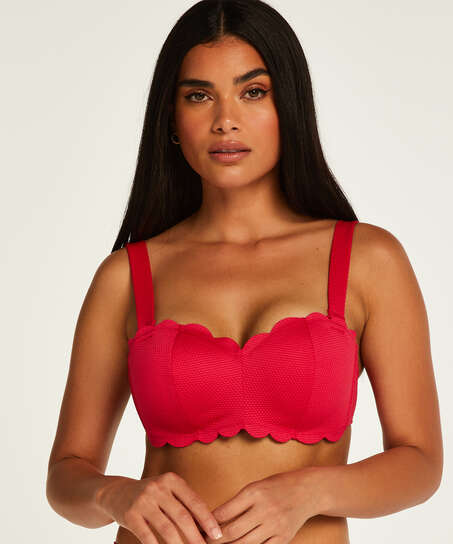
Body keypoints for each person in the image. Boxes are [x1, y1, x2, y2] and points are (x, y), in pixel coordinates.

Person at [45, 1, 443, 543]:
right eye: (198, 95)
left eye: (253, 92)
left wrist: (311, 491)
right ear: (171, 118)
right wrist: (113, 494)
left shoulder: (367, 260)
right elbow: (66, 474)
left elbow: (420, 463)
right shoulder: (127, 276)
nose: (225, 120)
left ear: (289, 107)